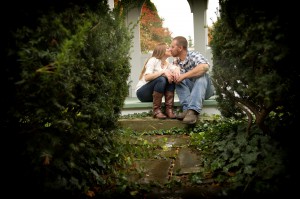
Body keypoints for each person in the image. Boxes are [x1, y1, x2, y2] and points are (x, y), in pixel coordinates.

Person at [170, 36, 215, 124]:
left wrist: (184, 76)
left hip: (206, 90)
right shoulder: (176, 62)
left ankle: (193, 110)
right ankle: (187, 110)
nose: (170, 49)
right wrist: (175, 70)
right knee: (177, 79)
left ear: (180, 48)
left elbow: (205, 67)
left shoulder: (194, 55)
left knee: (202, 75)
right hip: (192, 91)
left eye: (172, 47)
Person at [135, 43, 179, 119]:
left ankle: (169, 110)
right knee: (161, 79)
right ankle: (156, 111)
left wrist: (176, 69)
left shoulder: (166, 63)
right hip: (142, 93)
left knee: (170, 79)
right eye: (167, 48)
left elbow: (175, 68)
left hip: (154, 95)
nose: (170, 49)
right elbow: (147, 77)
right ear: (161, 50)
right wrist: (162, 72)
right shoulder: (153, 60)